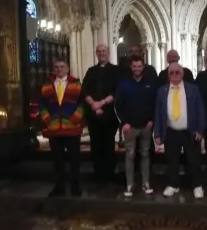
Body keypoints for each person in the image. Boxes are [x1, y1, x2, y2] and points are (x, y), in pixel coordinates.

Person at [154, 63, 206, 199]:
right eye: (172, 73)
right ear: (168, 75)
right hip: (171, 131)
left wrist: (200, 130)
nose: (175, 75)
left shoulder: (193, 89)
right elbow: (158, 113)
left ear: (182, 74)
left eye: (177, 72)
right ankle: (173, 185)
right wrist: (158, 133)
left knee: (193, 160)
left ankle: (197, 186)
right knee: (172, 161)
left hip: (190, 131)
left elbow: (201, 110)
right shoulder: (162, 91)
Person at [39, 58, 84, 197]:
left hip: (71, 128)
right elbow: (42, 105)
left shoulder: (76, 84)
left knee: (74, 160)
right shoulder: (46, 85)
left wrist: (74, 119)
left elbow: (81, 104)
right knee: (57, 161)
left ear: (67, 68)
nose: (59, 69)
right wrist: (48, 120)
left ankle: (75, 187)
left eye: (62, 66)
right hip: (54, 129)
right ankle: (59, 187)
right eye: (56, 67)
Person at [115, 55, 156, 197]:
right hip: (129, 127)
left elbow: (154, 103)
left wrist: (152, 120)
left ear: (143, 67)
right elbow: (118, 105)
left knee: (145, 155)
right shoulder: (124, 83)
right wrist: (123, 123)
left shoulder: (150, 82)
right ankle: (129, 185)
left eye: (139, 66)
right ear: (131, 67)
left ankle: (146, 183)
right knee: (130, 155)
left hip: (146, 125)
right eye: (134, 66)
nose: (137, 69)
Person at [81, 44, 121, 185]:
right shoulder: (91, 71)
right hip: (93, 114)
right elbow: (84, 90)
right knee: (96, 144)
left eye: (104, 51)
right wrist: (94, 104)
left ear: (108, 53)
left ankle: (109, 174)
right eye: (99, 51)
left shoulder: (116, 70)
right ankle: (98, 173)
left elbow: (117, 91)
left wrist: (102, 103)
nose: (101, 53)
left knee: (108, 144)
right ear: (96, 54)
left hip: (109, 114)